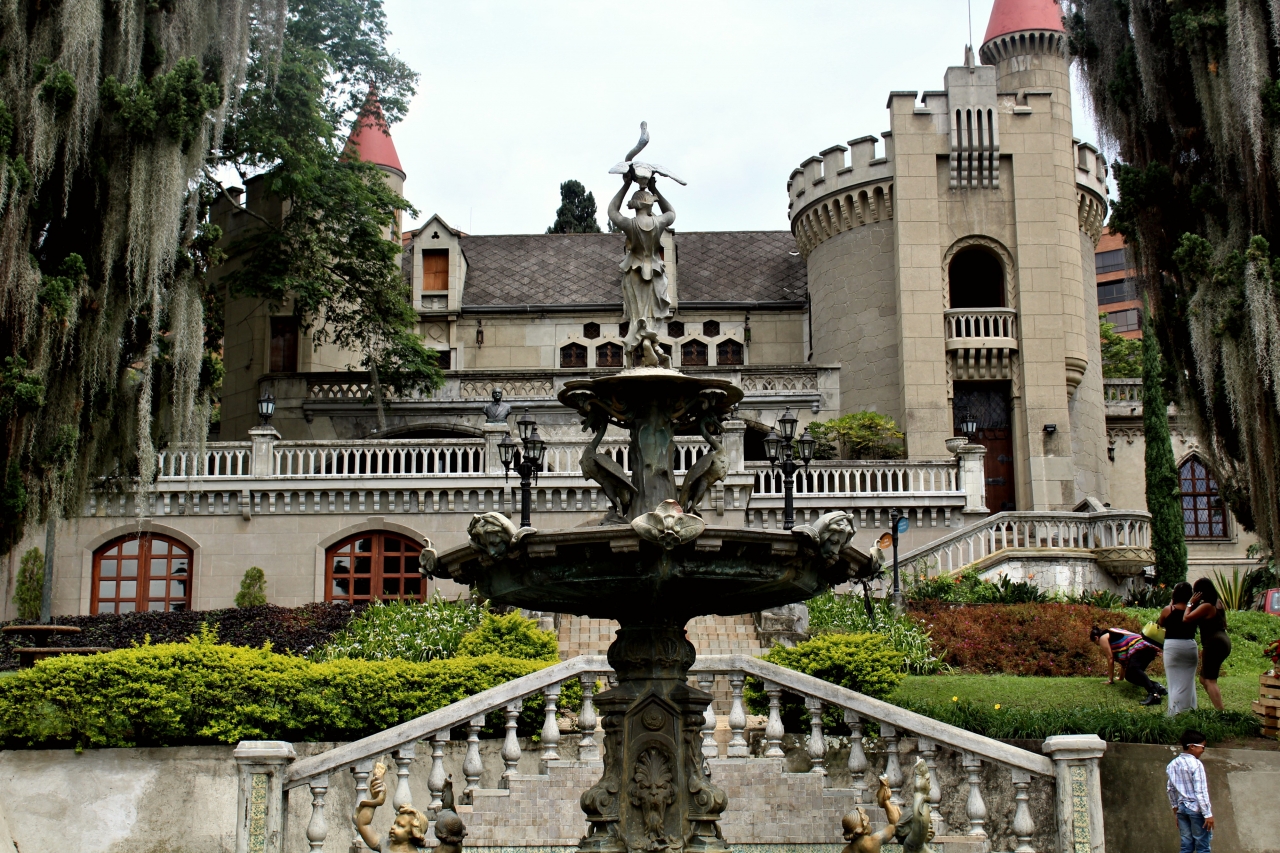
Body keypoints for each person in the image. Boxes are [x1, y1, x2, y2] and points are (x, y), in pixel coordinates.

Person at [1183, 577, 1231, 711]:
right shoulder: (1218, 602)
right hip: (1222, 640)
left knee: (1210, 680)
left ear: (1200, 592)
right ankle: (1219, 709)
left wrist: (1190, 604)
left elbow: (1186, 618)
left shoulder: (1207, 606)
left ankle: (1221, 712)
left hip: (1215, 643)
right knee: (1204, 679)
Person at [1091, 625, 1167, 706]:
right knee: (1130, 676)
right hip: (1147, 648)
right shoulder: (1114, 632)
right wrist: (1121, 677)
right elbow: (1124, 661)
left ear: (1096, 638)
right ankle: (1157, 686)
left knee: (1134, 669)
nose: (1099, 645)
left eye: (1096, 644)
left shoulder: (1103, 637)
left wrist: (1110, 680)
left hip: (1141, 647)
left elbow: (1110, 658)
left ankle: (1154, 694)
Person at [1167, 728, 1214, 852]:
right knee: (1202, 845)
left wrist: (1176, 811)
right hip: (1196, 809)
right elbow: (1200, 791)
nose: (1203, 750)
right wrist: (1208, 814)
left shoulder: (1173, 764)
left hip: (1182, 809)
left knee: (1186, 844)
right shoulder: (1196, 765)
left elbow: (1170, 789)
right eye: (1202, 747)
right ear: (1192, 746)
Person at [1160, 582, 1199, 715]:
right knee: (1189, 681)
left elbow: (1161, 623)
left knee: (1174, 682)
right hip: (1189, 645)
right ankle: (1191, 710)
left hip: (1173, 646)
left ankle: (1175, 712)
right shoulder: (1194, 609)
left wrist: (1172, 603)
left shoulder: (1168, 610)